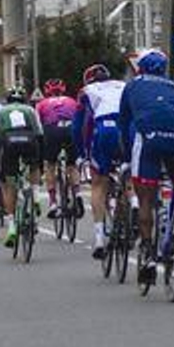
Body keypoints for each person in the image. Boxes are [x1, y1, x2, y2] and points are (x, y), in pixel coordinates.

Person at [117, 48, 174, 285]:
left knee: (146, 199)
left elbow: (123, 124)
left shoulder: (132, 86)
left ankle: (148, 252)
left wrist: (126, 159)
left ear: (140, 69)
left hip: (148, 142)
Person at [73, 63, 126, 259]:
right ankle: (133, 207)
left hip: (104, 129)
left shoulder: (86, 91)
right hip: (125, 129)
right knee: (128, 176)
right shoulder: (123, 86)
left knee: (98, 184)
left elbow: (79, 126)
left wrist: (82, 154)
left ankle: (99, 238)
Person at [0, 87, 44, 248]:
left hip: (9, 143)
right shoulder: (30, 110)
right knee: (33, 167)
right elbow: (39, 134)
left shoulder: (1, 111)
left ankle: (12, 227)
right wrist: (40, 162)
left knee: (8, 185)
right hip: (28, 141)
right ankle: (36, 196)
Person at [35, 78, 80, 218]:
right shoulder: (72, 101)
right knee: (72, 165)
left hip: (52, 129)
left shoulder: (42, 103)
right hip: (70, 128)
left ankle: (53, 202)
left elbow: (37, 125)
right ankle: (77, 194)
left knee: (50, 165)